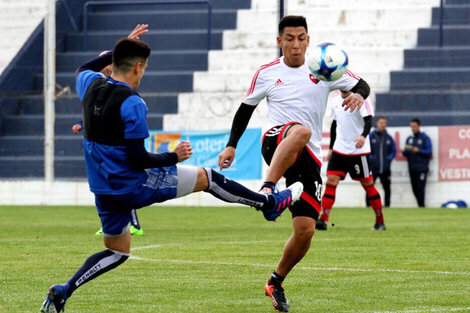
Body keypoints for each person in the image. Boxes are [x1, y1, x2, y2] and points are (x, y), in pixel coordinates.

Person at [39, 25, 303, 313]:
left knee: (116, 251)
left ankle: (64, 291)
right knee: (209, 178)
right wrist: (173, 157)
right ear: (138, 68)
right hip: (134, 185)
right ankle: (267, 203)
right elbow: (138, 159)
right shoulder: (132, 103)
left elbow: (83, 67)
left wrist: (123, 45)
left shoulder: (88, 85)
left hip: (103, 190)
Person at [217, 15, 370, 312]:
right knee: (300, 129)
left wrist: (359, 97)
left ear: (309, 41)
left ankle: (275, 282)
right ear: (279, 41)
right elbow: (245, 109)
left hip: (309, 157)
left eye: (301, 38)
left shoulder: (324, 70)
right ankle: (267, 190)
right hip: (276, 141)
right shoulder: (267, 72)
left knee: (305, 230)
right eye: (289, 38)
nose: (296, 45)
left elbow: (362, 84)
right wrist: (231, 145)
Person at [72, 45, 144, 236]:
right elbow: (97, 114)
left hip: (117, 142)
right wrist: (82, 123)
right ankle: (114, 224)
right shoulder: (99, 83)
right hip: (104, 143)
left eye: (106, 61)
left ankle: (133, 224)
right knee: (109, 185)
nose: (104, 66)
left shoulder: (111, 85)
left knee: (121, 182)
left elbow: (110, 112)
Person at [316, 92, 386, 231]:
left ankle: (380, 221)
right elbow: (335, 124)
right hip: (339, 149)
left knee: (368, 184)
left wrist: (363, 136)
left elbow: (368, 120)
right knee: (330, 182)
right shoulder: (335, 98)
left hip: (358, 150)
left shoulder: (361, 98)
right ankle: (323, 220)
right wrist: (331, 148)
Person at [402, 118, 432, 207]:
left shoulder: (425, 138)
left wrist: (418, 150)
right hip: (412, 167)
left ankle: (421, 206)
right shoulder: (409, 139)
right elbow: (407, 153)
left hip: (422, 168)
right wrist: (404, 151)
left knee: (420, 188)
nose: (413, 128)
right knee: (414, 188)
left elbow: (429, 152)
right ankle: (420, 205)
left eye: (414, 126)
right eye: (411, 126)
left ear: (419, 126)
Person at [367, 116, 396, 207]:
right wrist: (372, 159)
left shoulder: (389, 138)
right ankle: (368, 206)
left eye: (384, 123)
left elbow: (393, 151)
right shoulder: (371, 136)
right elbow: (366, 150)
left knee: (387, 189)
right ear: (377, 123)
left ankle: (387, 205)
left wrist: (388, 159)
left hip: (385, 169)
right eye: (381, 123)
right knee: (369, 188)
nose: (382, 125)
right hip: (373, 168)